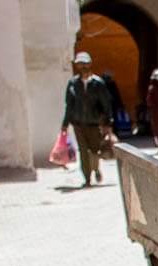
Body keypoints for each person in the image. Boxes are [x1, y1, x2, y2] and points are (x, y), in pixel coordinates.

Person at [61, 52, 113, 187]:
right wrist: (65, 124)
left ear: (89, 65)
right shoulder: (73, 84)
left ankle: (95, 168)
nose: (82, 67)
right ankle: (87, 178)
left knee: (94, 150)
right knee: (83, 151)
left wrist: (108, 122)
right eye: (80, 64)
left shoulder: (98, 83)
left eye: (84, 64)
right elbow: (69, 105)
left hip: (94, 123)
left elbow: (106, 104)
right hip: (78, 123)